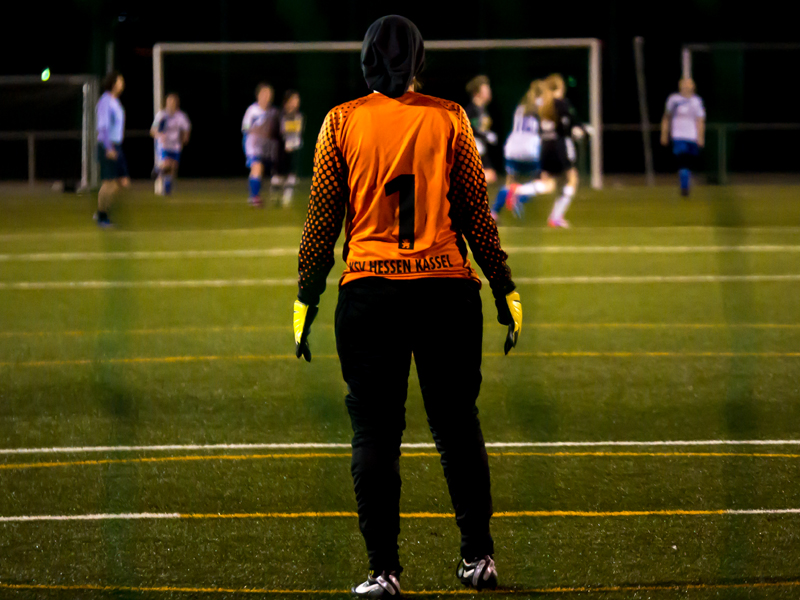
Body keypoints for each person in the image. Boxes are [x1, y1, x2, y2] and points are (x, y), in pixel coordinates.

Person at [292, 15, 522, 598]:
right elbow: (476, 210)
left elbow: (321, 221)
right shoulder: (449, 116)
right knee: (457, 426)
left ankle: (384, 573)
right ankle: (479, 559)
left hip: (370, 293)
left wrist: (306, 297)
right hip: (446, 289)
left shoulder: (340, 121)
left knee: (374, 432)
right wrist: (503, 284)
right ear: (419, 59)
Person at [509, 73, 584, 228]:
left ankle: (520, 190)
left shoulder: (542, 105)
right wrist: (579, 131)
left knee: (549, 184)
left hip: (545, 147)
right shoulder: (560, 103)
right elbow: (567, 126)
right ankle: (555, 216)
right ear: (560, 88)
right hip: (558, 147)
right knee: (572, 179)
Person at [491, 80, 555, 220]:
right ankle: (519, 195)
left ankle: (494, 212)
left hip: (512, 149)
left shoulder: (521, 107)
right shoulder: (542, 108)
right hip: (530, 151)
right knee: (546, 184)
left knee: (510, 182)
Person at [94, 71, 128, 227]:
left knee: (122, 182)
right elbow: (103, 127)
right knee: (109, 183)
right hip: (108, 145)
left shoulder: (115, 101)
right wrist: (108, 148)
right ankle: (102, 216)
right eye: (120, 81)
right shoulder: (105, 101)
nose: (122, 83)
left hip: (116, 145)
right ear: (113, 83)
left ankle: (102, 211)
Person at [661, 78, 705, 196]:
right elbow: (667, 117)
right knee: (683, 161)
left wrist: (700, 137)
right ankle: (684, 188)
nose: (686, 86)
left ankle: (685, 184)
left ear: (693, 86)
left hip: (692, 137)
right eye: (684, 84)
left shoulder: (697, 101)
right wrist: (664, 134)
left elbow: (700, 120)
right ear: (680, 86)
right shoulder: (674, 100)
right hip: (679, 136)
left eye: (689, 84)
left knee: (688, 163)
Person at [241, 82, 280, 207]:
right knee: (257, 167)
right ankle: (254, 197)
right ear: (258, 95)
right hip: (252, 143)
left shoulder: (273, 111)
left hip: (266, 146)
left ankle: (255, 195)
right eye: (264, 94)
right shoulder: (252, 110)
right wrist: (256, 130)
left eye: (269, 94)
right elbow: (245, 127)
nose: (266, 96)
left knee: (261, 170)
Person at [151, 93, 191, 196]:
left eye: (173, 101)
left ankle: (167, 191)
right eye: (169, 101)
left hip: (175, 145)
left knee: (173, 167)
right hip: (164, 145)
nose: (171, 103)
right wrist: (159, 134)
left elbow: (186, 128)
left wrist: (185, 137)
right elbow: (153, 130)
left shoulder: (180, 116)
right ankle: (158, 170)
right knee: (167, 164)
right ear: (166, 102)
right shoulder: (162, 115)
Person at [272, 90, 304, 207]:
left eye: (297, 100)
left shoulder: (298, 115)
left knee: (291, 173)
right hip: (281, 149)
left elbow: (298, 132)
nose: (296, 102)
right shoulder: (281, 115)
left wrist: (293, 143)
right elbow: (279, 132)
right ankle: (275, 195)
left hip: (294, 148)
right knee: (278, 174)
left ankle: (287, 197)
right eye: (294, 100)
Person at [465, 75, 499, 184]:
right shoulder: (470, 112)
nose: (489, 93)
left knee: (491, 177)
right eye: (485, 90)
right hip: (472, 152)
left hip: (482, 151)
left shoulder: (483, 111)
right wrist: (484, 135)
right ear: (476, 93)